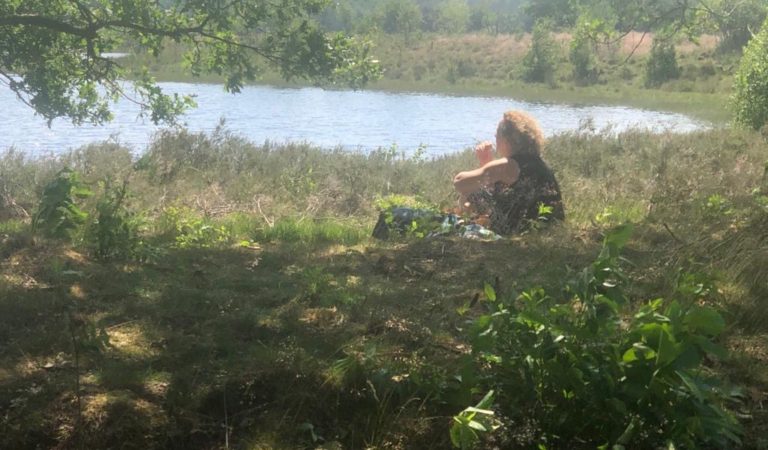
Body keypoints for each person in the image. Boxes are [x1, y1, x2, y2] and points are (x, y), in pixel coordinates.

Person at [453, 110, 564, 234]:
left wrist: (487, 165)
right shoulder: (537, 163)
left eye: (496, 136)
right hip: (545, 229)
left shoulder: (509, 165)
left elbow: (459, 182)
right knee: (477, 195)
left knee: (467, 195)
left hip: (518, 231)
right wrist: (486, 162)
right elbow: (494, 191)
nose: (495, 140)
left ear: (506, 140)